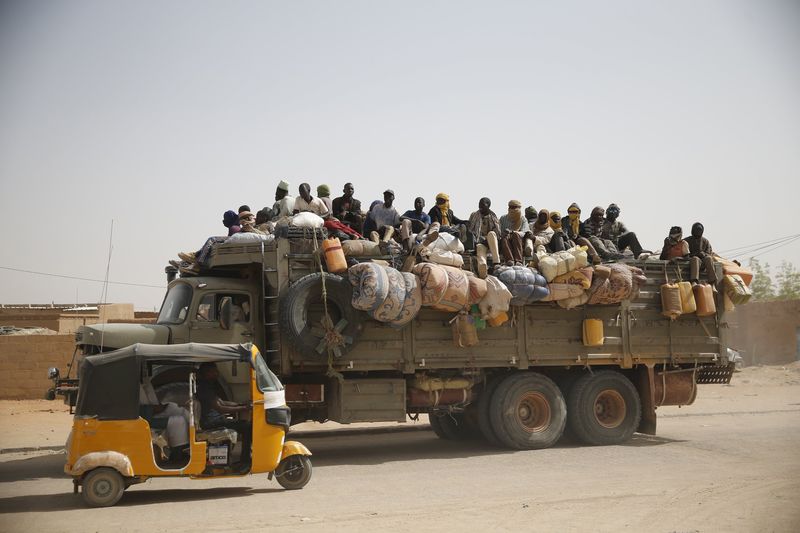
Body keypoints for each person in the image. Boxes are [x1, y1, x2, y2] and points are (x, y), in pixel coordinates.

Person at [196, 362, 251, 465]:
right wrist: (243, 408)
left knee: (244, 424)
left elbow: (222, 402)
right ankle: (245, 460)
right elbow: (221, 408)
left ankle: (245, 458)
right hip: (211, 422)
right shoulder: (205, 388)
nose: (217, 373)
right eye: (214, 371)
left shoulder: (208, 385)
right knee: (247, 427)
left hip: (215, 420)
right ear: (207, 373)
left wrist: (241, 404)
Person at [467, 197, 501, 277]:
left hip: (491, 242)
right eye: (479, 204)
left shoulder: (493, 216)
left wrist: (486, 240)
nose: (480, 206)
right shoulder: (474, 215)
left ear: (488, 205)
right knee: (479, 247)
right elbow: (470, 230)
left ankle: (496, 262)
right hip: (479, 241)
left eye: (482, 205)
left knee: (492, 234)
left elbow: (498, 233)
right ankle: (482, 269)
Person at [498, 200, 531, 265]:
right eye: (511, 207)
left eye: (514, 207)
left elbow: (524, 232)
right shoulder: (503, 218)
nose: (512, 210)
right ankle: (510, 260)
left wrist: (513, 232)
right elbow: (499, 232)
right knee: (504, 238)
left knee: (516, 235)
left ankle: (518, 260)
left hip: (518, 241)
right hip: (506, 240)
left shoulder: (523, 219)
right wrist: (505, 233)